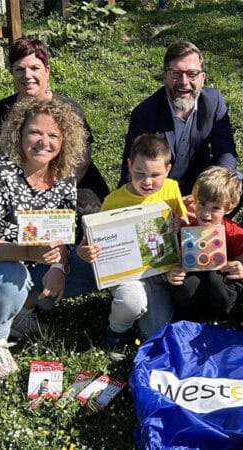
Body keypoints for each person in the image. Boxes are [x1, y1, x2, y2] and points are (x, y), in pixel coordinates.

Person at [0, 98, 97, 378]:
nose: (43, 142)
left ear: (65, 141)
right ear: (18, 133)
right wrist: (29, 253)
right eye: (35, 132)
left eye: (53, 135)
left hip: (31, 264)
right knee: (11, 274)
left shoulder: (65, 179)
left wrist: (59, 267)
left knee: (95, 265)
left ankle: (21, 310)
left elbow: (61, 235)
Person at [78, 134, 187, 358]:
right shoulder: (113, 201)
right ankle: (116, 332)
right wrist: (85, 251)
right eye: (140, 173)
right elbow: (89, 241)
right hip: (125, 273)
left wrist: (180, 223)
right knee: (132, 301)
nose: (147, 182)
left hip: (158, 271)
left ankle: (138, 315)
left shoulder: (172, 189)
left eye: (155, 175)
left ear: (168, 170)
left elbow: (184, 222)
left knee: (155, 330)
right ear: (129, 166)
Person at [0, 37, 109, 213]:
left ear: (47, 70)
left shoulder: (69, 108)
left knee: (89, 211)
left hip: (71, 177)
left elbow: (82, 157)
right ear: (12, 72)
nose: (27, 75)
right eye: (19, 69)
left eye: (35, 68)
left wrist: (55, 191)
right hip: (19, 181)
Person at [118, 41, 243, 214]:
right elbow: (130, 170)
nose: (184, 82)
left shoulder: (214, 102)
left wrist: (206, 191)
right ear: (165, 76)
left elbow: (226, 152)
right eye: (176, 74)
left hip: (198, 186)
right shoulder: (145, 113)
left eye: (192, 74)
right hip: (157, 188)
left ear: (202, 78)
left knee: (238, 181)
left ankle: (209, 225)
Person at [165, 166, 243, 324]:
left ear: (229, 208)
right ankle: (190, 318)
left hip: (218, 285)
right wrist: (171, 273)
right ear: (194, 200)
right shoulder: (184, 227)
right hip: (192, 284)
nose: (206, 213)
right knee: (187, 284)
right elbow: (171, 264)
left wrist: (242, 270)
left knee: (216, 280)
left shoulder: (233, 232)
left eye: (215, 208)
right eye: (202, 204)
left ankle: (222, 317)